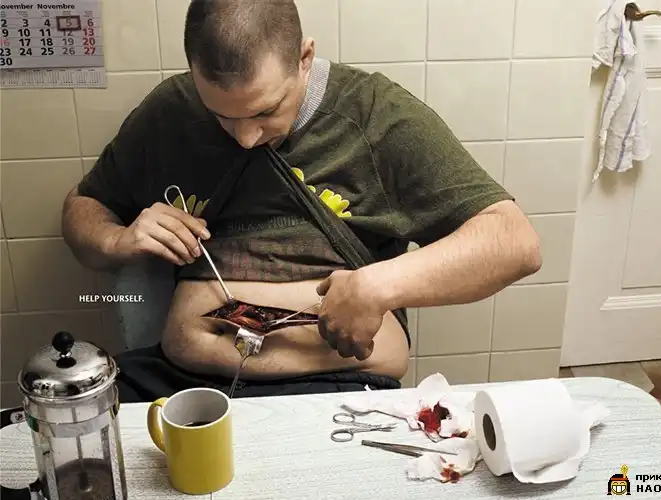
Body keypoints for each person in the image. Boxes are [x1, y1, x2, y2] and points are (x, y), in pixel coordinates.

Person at [61, 0, 542, 402]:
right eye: (221, 116)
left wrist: (378, 286)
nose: (246, 138)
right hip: (184, 382)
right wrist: (119, 240)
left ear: (305, 57)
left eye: (266, 111)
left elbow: (514, 243)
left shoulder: (376, 117)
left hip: (338, 387)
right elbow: (82, 209)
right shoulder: (172, 111)